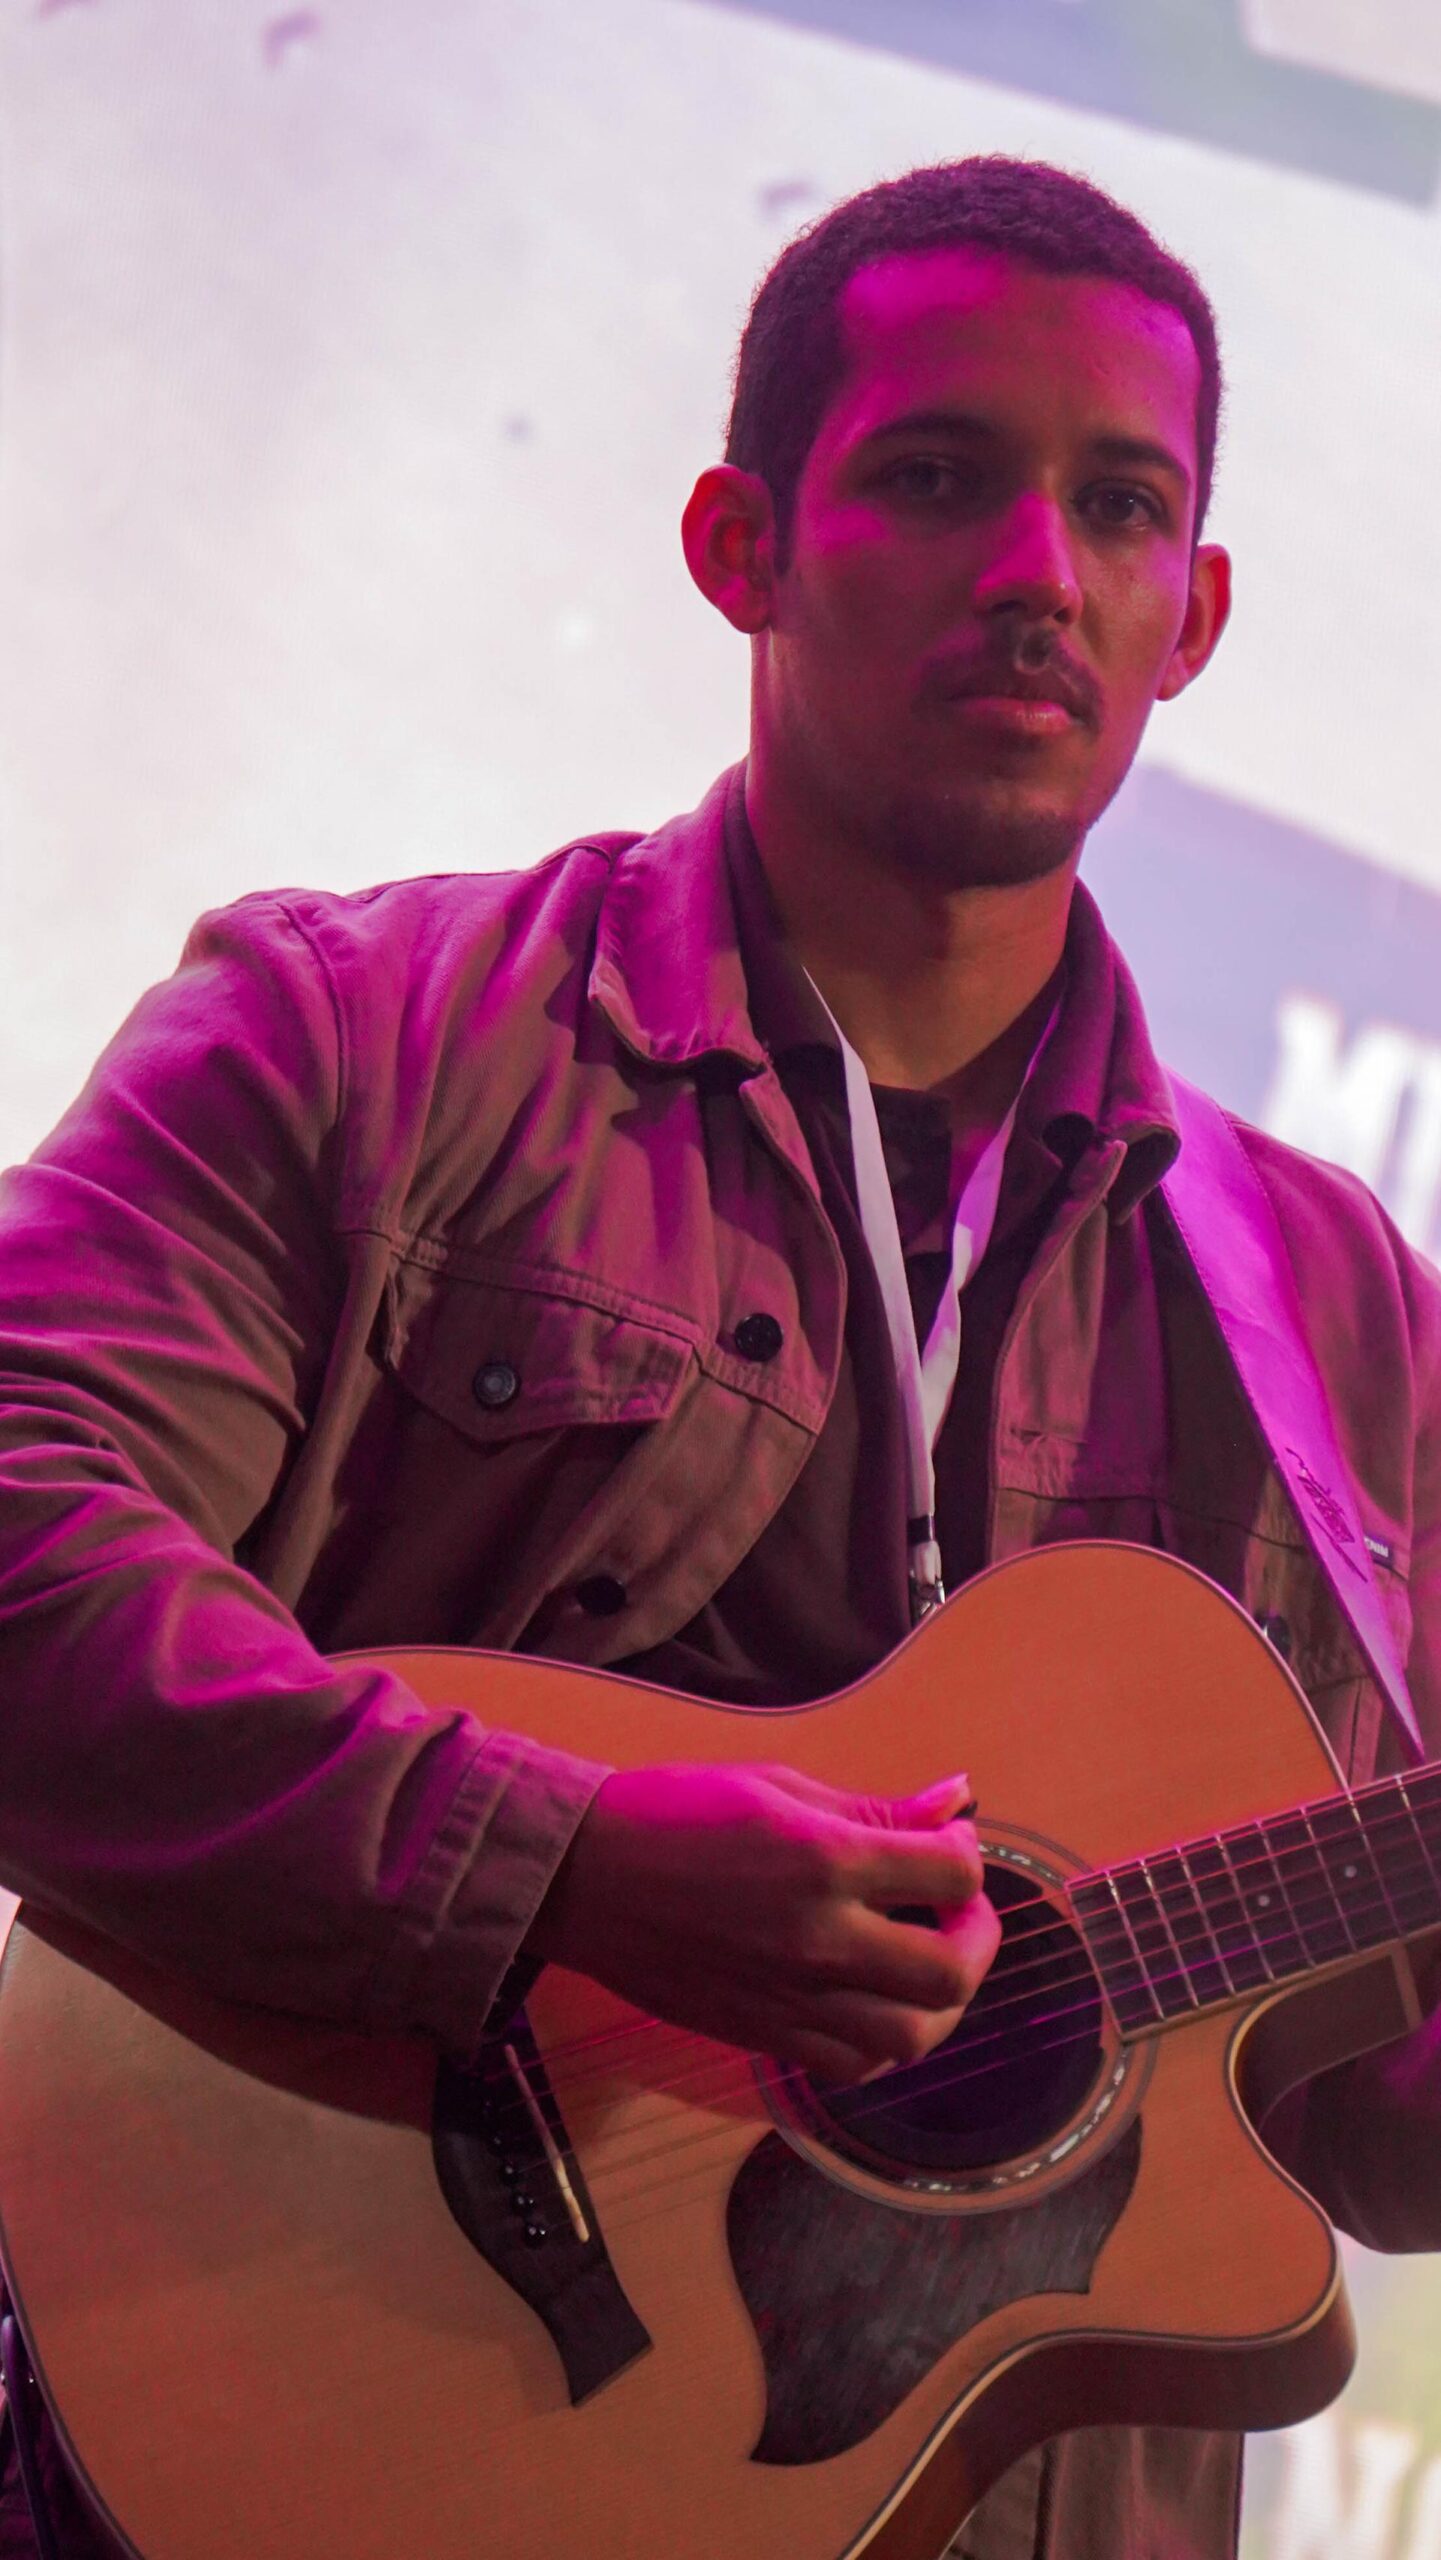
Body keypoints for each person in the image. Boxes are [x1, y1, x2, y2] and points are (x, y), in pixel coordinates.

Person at [1, 154, 1439, 2560]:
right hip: (323, 2422)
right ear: (738, 542)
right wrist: (559, 1868)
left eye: (1118, 508)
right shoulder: (356, 1036)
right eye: (939, 476)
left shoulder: (1345, 1309)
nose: (1036, 571)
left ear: (1191, 613)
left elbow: (1376, 2117)